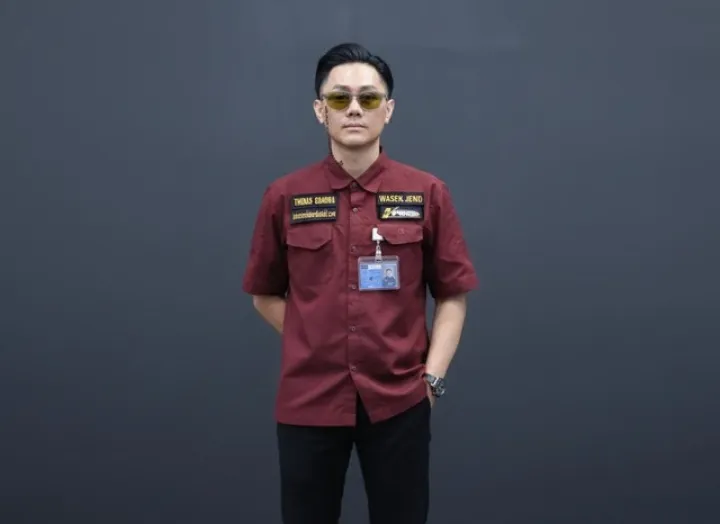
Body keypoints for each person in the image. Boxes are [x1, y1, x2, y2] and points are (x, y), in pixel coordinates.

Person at [242, 42, 479, 524]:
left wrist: (431, 380)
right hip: (308, 400)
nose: (354, 108)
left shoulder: (427, 192)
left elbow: (453, 294)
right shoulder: (284, 196)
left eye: (368, 98)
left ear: (387, 110)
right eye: (339, 97)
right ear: (320, 110)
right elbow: (264, 293)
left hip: (400, 401)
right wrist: (314, 336)